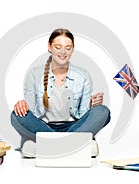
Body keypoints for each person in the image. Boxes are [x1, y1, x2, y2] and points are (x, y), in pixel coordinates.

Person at [11, 28, 111, 158]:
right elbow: (32, 113)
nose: (63, 52)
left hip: (74, 127)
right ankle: (74, 146)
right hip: (42, 127)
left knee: (102, 111)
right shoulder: (34, 74)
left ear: (73, 49)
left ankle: (47, 147)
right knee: (16, 115)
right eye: (58, 47)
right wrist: (22, 106)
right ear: (49, 47)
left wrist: (92, 105)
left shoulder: (83, 75)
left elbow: (82, 115)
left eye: (68, 48)